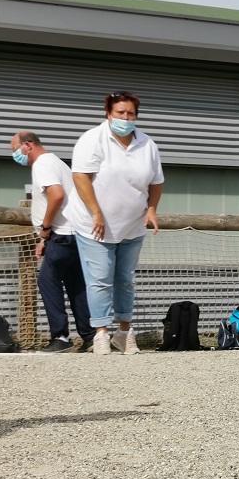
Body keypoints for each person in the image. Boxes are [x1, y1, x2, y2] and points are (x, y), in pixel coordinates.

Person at [65, 92, 164, 355]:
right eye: (120, 113)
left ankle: (124, 332)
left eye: (130, 114)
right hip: (94, 225)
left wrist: (151, 209)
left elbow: (156, 181)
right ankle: (100, 334)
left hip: (132, 225)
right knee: (100, 279)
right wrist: (96, 212)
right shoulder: (92, 139)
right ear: (108, 113)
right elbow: (80, 177)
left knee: (125, 279)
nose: (125, 118)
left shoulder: (147, 144)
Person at [9, 131, 95, 353]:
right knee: (76, 285)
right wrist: (43, 238)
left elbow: (56, 195)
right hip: (75, 233)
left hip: (62, 234)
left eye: (15, 149)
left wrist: (46, 228)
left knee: (47, 281)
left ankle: (61, 337)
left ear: (27, 146)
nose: (14, 155)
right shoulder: (57, 162)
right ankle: (90, 336)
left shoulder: (43, 164)